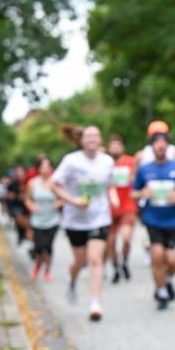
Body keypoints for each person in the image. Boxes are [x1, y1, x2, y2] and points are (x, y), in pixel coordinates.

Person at [50, 125, 119, 322]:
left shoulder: (107, 161)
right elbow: (54, 185)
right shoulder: (71, 161)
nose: (92, 139)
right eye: (88, 136)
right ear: (81, 140)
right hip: (75, 220)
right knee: (80, 261)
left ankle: (95, 303)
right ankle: (72, 279)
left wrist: (113, 197)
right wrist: (73, 201)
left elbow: (110, 184)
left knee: (95, 259)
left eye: (96, 136)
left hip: (99, 217)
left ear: (100, 140)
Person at [131, 132, 175, 310]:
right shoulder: (145, 169)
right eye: (157, 144)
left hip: (174, 221)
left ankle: (166, 279)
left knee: (172, 261)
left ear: (168, 147)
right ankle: (161, 292)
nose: (160, 146)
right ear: (152, 148)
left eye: (163, 144)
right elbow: (133, 193)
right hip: (153, 220)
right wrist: (143, 193)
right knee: (157, 256)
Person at [105, 135, 138, 283]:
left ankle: (124, 260)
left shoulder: (130, 162)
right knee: (110, 242)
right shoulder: (104, 163)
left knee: (126, 236)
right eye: (112, 145)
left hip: (127, 204)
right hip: (109, 207)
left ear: (122, 147)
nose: (115, 148)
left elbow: (137, 177)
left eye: (118, 145)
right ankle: (115, 265)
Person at [26, 155, 62, 281]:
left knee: (48, 246)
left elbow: (64, 197)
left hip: (53, 219)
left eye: (48, 167)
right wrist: (31, 206)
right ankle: (38, 265)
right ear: (39, 169)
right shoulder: (32, 183)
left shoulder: (56, 182)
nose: (45, 170)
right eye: (43, 167)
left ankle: (47, 271)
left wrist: (59, 203)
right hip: (37, 220)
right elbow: (27, 199)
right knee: (39, 247)